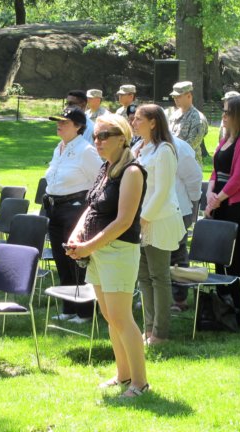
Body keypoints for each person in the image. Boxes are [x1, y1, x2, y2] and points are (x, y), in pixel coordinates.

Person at [67, 114, 149, 398]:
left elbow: (125, 220)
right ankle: (123, 375)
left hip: (119, 252)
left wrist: (89, 246)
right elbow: (91, 208)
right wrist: (78, 236)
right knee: (109, 315)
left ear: (122, 138)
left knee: (121, 317)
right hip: (99, 251)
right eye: (96, 136)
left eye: (104, 136)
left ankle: (140, 383)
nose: (97, 141)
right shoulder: (106, 168)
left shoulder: (133, 172)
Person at [132, 104, 185, 346]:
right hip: (140, 219)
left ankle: (160, 333)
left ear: (153, 122)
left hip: (159, 219)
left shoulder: (164, 150)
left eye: (139, 119)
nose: (134, 123)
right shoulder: (139, 148)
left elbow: (162, 191)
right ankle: (148, 328)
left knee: (159, 276)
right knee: (143, 276)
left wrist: (143, 219)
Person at [44, 106, 102, 323]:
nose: (59, 125)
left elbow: (99, 179)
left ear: (78, 127)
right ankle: (69, 307)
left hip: (75, 209)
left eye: (65, 122)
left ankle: (85, 310)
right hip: (55, 208)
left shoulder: (86, 151)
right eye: (58, 121)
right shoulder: (59, 147)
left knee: (76, 259)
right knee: (61, 259)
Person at [205, 96, 240, 326]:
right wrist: (209, 194)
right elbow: (215, 172)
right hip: (219, 203)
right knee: (221, 260)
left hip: (237, 206)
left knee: (239, 262)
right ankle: (224, 310)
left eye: (228, 112)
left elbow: (239, 177)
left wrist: (218, 199)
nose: (223, 116)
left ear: (238, 115)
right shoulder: (225, 139)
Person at [170, 135, 203, 312]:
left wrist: (192, 204)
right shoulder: (143, 145)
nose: (134, 123)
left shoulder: (179, 147)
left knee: (177, 254)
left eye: (138, 120)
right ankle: (156, 297)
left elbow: (195, 177)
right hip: (153, 211)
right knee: (153, 256)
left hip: (179, 209)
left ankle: (179, 299)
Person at [168, 81, 206, 166]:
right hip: (173, 164)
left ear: (189, 96)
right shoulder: (173, 116)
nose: (175, 99)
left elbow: (190, 146)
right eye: (174, 96)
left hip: (190, 167)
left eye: (179, 96)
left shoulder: (198, 118)